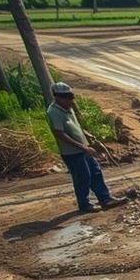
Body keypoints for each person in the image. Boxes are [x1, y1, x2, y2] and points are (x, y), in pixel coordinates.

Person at [45, 81, 113, 214]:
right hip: (72, 152)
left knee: (95, 172)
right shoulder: (53, 112)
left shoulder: (68, 108)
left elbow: (75, 126)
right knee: (83, 178)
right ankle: (85, 205)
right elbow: (60, 133)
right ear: (57, 97)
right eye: (67, 97)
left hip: (83, 149)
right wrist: (82, 146)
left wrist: (87, 135)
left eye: (71, 97)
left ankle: (105, 199)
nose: (70, 100)